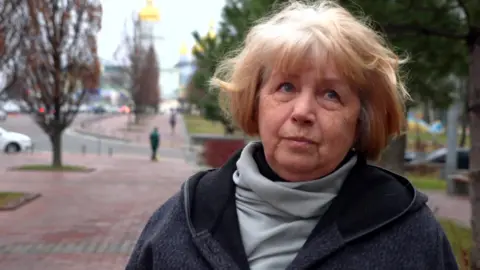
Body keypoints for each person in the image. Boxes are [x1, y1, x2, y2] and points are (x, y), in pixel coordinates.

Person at [126, 1, 458, 270]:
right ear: (255, 101)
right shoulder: (185, 217)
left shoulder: (408, 232)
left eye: (331, 94)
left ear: (361, 118)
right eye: (286, 87)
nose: (302, 111)